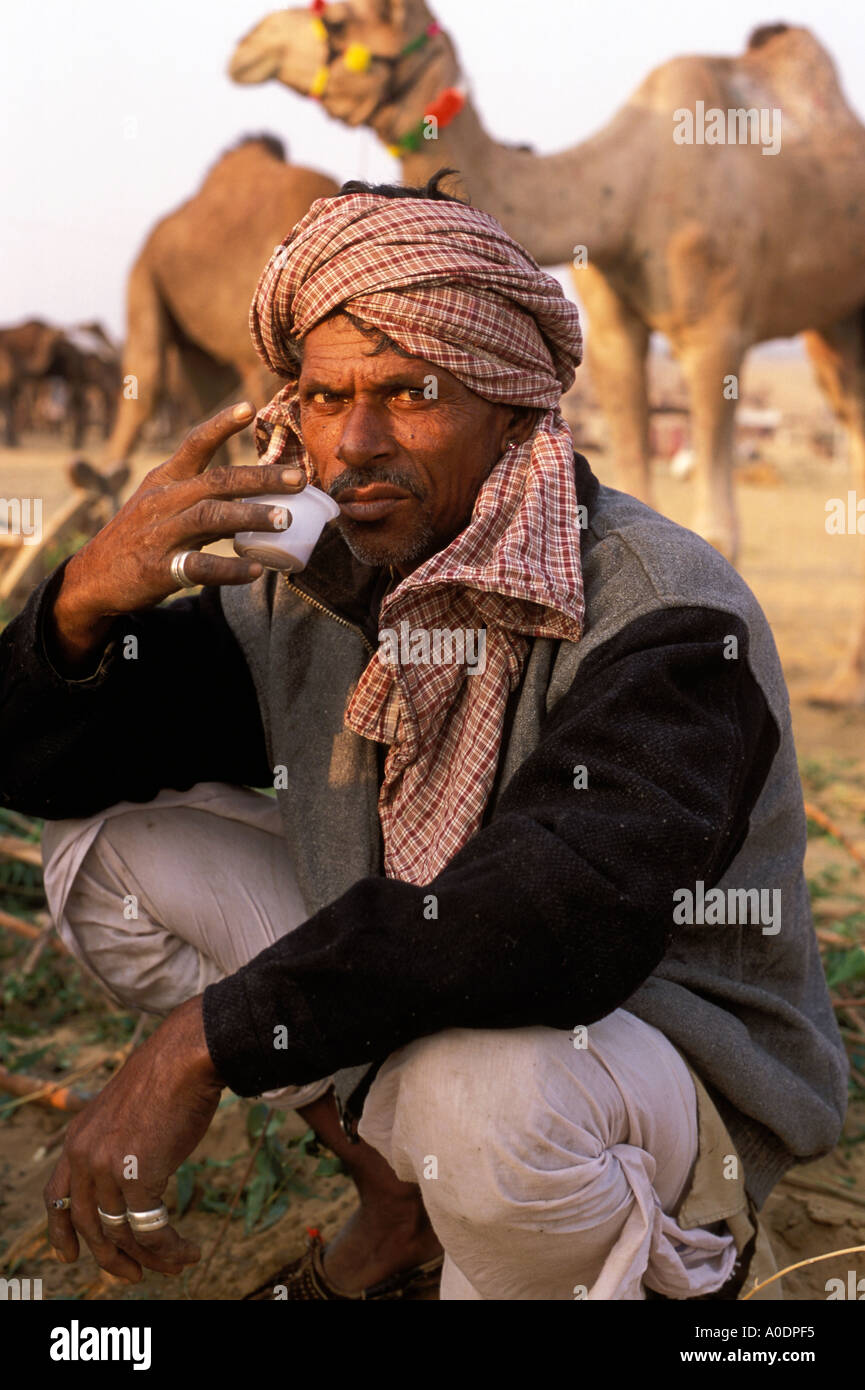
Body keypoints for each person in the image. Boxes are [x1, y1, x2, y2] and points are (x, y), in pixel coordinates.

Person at [0, 171, 847, 1302]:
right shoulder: (314, 589)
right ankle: (400, 1203)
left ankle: (663, 1254)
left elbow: (552, 919)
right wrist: (81, 609)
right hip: (447, 996)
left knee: (482, 1102)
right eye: (321, 395)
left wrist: (203, 1040)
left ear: (510, 406)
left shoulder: (664, 608)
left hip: (654, 1057)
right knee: (102, 846)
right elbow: (47, 762)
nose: (351, 443)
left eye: (408, 393)